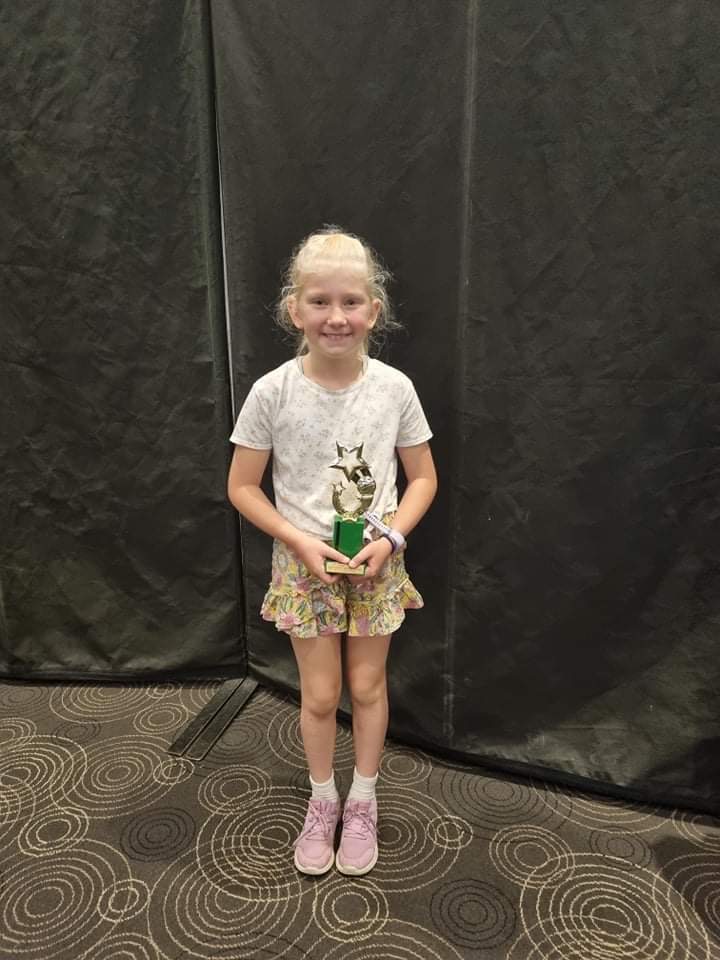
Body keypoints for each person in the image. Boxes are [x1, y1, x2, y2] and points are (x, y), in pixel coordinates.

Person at [227, 227, 437, 876]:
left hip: (376, 563)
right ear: (295, 310)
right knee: (319, 696)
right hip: (304, 567)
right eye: (320, 301)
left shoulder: (395, 389)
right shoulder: (272, 393)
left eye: (350, 302)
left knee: (368, 686)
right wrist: (297, 539)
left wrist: (392, 538)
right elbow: (242, 486)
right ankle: (324, 800)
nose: (336, 316)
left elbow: (423, 478)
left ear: (374, 310)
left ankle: (363, 799)